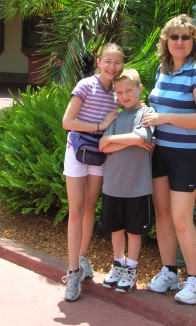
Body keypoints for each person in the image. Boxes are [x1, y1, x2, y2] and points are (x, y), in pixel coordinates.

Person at [141, 14, 196, 305]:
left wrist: (164, 117)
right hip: (160, 151)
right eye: (175, 37)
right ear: (166, 42)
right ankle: (170, 272)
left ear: (193, 42)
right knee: (163, 215)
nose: (180, 42)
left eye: (186, 37)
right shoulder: (163, 70)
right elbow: (159, 106)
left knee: (182, 218)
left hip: (186, 154)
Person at [61, 43, 124, 302]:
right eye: (107, 61)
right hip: (77, 152)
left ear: (122, 65)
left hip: (98, 155)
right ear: (98, 62)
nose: (111, 67)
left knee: (89, 208)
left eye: (117, 62)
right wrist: (100, 124)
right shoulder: (85, 85)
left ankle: (82, 259)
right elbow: (67, 122)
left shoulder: (116, 93)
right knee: (76, 210)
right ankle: (73, 271)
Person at [98, 68, 155, 293]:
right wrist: (131, 140)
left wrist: (113, 140)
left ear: (139, 89)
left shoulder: (147, 113)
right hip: (113, 184)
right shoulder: (116, 116)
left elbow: (141, 136)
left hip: (137, 186)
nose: (123, 96)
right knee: (116, 228)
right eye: (118, 93)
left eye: (128, 91)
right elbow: (103, 145)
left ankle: (131, 269)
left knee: (133, 231)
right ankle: (118, 264)